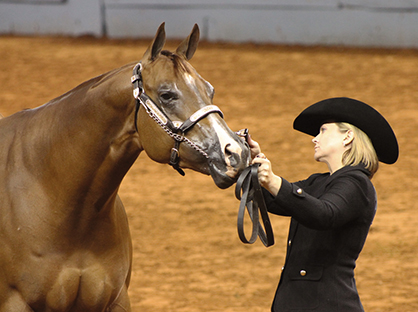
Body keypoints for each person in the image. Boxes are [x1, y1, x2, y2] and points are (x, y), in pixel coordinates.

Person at [247, 97, 398, 311]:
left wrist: (272, 180)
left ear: (348, 137)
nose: (314, 139)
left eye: (323, 131)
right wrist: (248, 162)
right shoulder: (318, 182)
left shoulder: (357, 184)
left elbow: (325, 214)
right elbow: (271, 200)